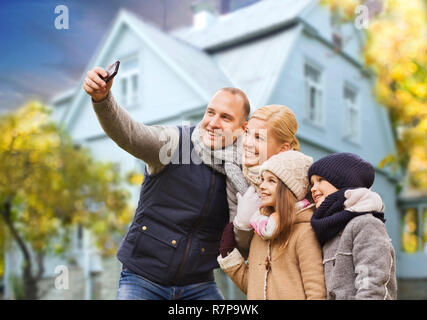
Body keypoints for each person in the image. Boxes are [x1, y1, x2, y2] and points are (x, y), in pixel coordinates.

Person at [83, 66, 251, 300]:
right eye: (210, 112)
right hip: (142, 278)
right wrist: (102, 99)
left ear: (243, 128)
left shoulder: (245, 170)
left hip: (198, 284)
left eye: (225, 117)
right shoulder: (174, 142)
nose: (213, 122)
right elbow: (129, 133)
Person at [217, 150, 327, 300]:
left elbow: (316, 292)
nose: (262, 185)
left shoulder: (304, 232)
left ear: (289, 189)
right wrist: (231, 259)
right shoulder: (261, 232)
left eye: (271, 181)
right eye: (262, 179)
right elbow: (254, 288)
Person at [308, 152, 397, 300]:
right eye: (312, 183)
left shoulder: (366, 224)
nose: (313, 188)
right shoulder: (329, 229)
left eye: (320, 180)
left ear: (342, 181)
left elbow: (373, 285)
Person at [232, 105, 305, 258]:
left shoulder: (298, 183)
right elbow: (243, 252)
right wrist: (242, 226)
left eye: (259, 138)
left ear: (283, 149)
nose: (247, 143)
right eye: (247, 133)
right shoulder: (236, 175)